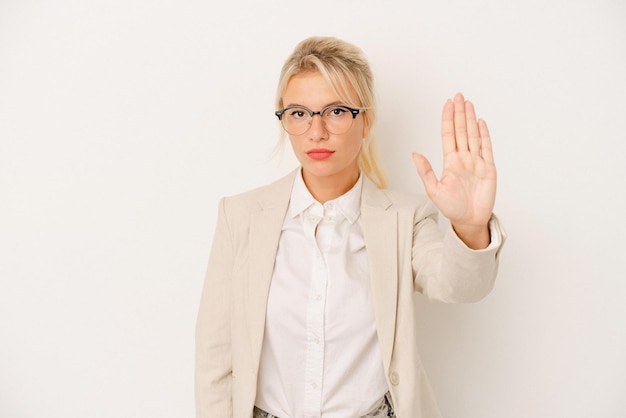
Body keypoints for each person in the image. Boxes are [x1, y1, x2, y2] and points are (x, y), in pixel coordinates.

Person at [195, 36, 505, 418]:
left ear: (366, 121)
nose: (317, 131)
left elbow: (459, 286)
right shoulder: (240, 216)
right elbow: (215, 358)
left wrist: (470, 226)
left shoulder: (405, 217)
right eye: (299, 113)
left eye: (336, 111)